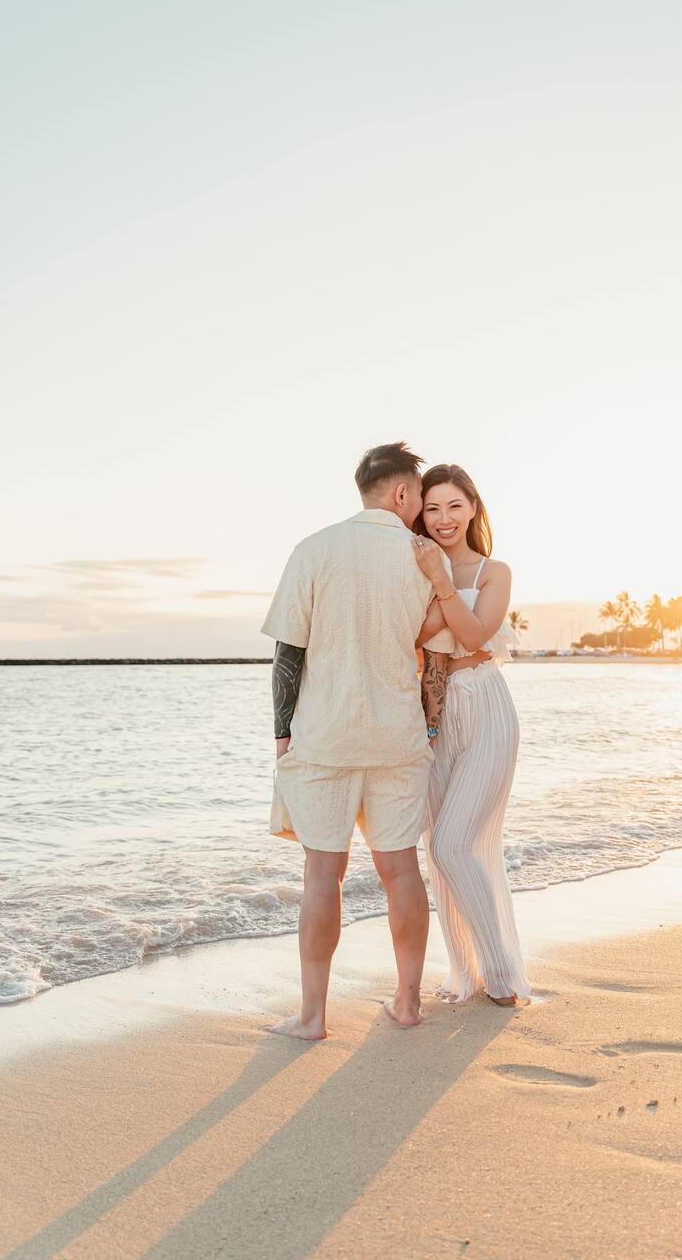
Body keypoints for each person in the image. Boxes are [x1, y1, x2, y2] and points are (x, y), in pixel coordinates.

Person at [262, 442, 454, 1040]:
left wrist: (282, 735)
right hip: (398, 739)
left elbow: (287, 656)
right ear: (401, 492)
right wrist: (427, 729)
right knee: (401, 870)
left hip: (327, 737)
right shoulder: (425, 558)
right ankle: (407, 1003)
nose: (421, 507)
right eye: (419, 496)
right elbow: (437, 663)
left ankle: (312, 1017)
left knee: (323, 873)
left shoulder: (313, 548)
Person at [412, 464, 531, 1005]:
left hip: (485, 706)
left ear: (473, 508)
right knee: (438, 850)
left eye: (455, 506)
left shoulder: (493, 571)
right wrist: (436, 597)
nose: (444, 518)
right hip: (433, 715)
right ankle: (467, 972)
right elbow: (409, 638)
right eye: (432, 508)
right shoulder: (412, 567)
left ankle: (502, 976)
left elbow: (477, 633)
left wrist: (441, 587)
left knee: (453, 841)